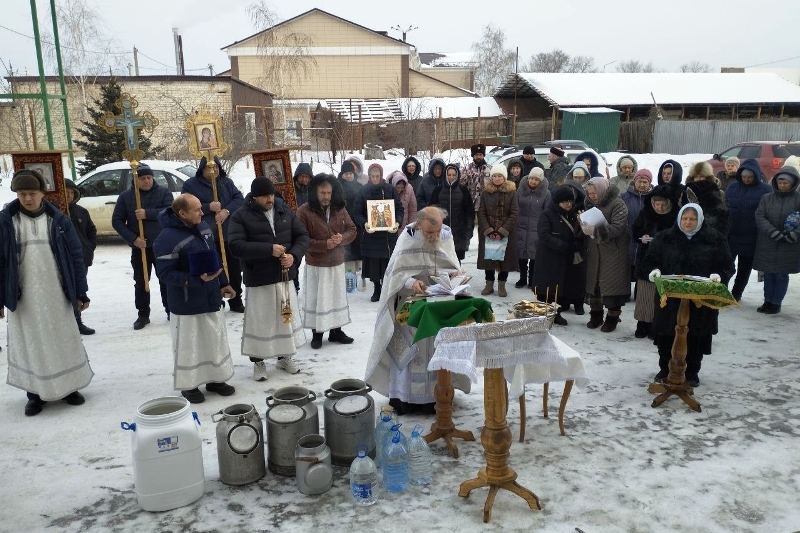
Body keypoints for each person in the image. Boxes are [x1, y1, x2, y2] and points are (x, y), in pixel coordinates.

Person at [0, 169, 94, 416]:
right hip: (25, 299)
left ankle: (70, 387)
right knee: (32, 344)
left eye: (32, 193)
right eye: (22, 194)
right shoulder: (6, 222)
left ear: (42, 193)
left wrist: (81, 292)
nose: (27, 199)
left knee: (62, 338)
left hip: (57, 293)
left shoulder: (59, 221)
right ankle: (35, 394)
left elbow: (75, 256)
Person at [364, 206, 469, 415]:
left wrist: (455, 274)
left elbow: (450, 264)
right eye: (430, 233)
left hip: (438, 306)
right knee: (410, 354)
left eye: (437, 232)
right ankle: (404, 399)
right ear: (419, 226)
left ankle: (435, 398)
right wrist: (411, 282)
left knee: (436, 351)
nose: (434, 237)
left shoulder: (445, 236)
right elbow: (394, 276)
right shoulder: (407, 238)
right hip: (410, 308)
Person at [153, 194, 236, 403]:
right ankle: (189, 385)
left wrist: (224, 282)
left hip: (210, 297)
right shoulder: (166, 238)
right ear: (182, 214)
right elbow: (164, 273)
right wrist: (193, 280)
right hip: (186, 302)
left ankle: (215, 379)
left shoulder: (203, 226)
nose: (202, 212)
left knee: (212, 340)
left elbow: (214, 256)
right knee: (190, 345)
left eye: (201, 208)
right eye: (197, 209)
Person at [228, 177, 310, 380]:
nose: (270, 199)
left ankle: (284, 357)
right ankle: (258, 362)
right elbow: (235, 246)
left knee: (284, 318)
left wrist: (294, 256)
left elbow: (302, 237)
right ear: (255, 196)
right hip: (259, 278)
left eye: (272, 194)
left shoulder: (285, 211)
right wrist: (268, 250)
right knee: (260, 321)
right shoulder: (241, 216)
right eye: (265, 196)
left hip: (283, 277)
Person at [643, 203, 734, 387]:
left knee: (696, 335)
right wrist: (653, 271)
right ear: (679, 219)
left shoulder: (714, 239)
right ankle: (665, 368)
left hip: (700, 301)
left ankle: (692, 371)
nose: (688, 222)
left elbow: (727, 265)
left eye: (692, 219)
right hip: (669, 300)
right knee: (667, 335)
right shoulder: (664, 238)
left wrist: (719, 276)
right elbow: (649, 260)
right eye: (684, 218)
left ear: (700, 219)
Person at [297, 174, 357, 349]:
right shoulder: (304, 211)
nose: (326, 196)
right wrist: (325, 244)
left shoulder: (340, 208)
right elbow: (302, 239)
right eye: (322, 193)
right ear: (315, 192)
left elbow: (352, 230)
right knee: (318, 299)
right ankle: (317, 333)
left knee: (336, 298)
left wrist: (341, 239)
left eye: (329, 193)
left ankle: (336, 331)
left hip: (337, 261)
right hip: (317, 263)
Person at [111, 163, 172, 330]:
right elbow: (117, 221)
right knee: (141, 281)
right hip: (140, 247)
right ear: (136, 180)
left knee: (166, 279)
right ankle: (143, 314)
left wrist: (147, 213)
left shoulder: (163, 192)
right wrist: (133, 239)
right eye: (142, 178)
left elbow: (170, 212)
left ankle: (171, 310)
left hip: (161, 245)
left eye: (149, 177)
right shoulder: (126, 197)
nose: (146, 181)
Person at [182, 156, 245, 313]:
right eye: (210, 167)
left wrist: (226, 210)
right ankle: (215, 301)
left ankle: (236, 300)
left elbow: (239, 198)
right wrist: (208, 206)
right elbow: (183, 205)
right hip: (205, 236)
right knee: (212, 269)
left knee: (234, 270)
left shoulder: (226, 182)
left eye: (216, 167)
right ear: (202, 169)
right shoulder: (191, 185)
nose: (214, 170)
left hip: (228, 234)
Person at [579, 176, 630, 332]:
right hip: (595, 251)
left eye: (595, 192)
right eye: (589, 193)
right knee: (595, 284)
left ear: (602, 190)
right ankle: (595, 315)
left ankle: (612, 318)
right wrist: (582, 224)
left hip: (614, 252)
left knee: (612, 285)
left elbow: (617, 228)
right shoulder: (589, 204)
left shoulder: (618, 204)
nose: (592, 195)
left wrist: (594, 230)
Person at [532, 185, 584, 326]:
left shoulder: (573, 215)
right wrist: (564, 246)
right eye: (565, 201)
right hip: (549, 259)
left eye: (570, 201)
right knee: (547, 288)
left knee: (561, 288)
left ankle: (557, 312)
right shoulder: (547, 215)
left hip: (565, 259)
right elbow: (544, 236)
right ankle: (545, 314)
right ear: (557, 201)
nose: (569, 204)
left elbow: (577, 234)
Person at [630, 185, 678, 339]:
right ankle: (642, 324)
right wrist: (641, 237)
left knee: (660, 295)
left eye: (663, 204)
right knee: (644, 294)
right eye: (657, 204)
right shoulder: (646, 212)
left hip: (665, 260)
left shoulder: (675, 216)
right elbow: (635, 230)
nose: (660, 207)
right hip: (646, 258)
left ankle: (655, 326)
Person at [753, 166, 800, 314]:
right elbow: (760, 216)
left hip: (789, 244)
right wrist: (773, 232)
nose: (783, 185)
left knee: (781, 274)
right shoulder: (767, 198)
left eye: (786, 182)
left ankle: (776, 302)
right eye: (780, 181)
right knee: (769, 273)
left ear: (793, 183)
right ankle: (767, 301)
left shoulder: (798, 199)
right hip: (768, 241)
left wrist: (795, 234)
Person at [354, 164, 403, 302]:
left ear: (381, 176)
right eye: (372, 176)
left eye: (377, 176)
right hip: (371, 235)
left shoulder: (390, 189)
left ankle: (388, 288)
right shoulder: (363, 191)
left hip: (388, 234)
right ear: (369, 176)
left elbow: (399, 208)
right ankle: (377, 288)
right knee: (374, 263)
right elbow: (357, 211)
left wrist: (397, 222)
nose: (375, 178)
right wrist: (365, 223)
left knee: (387, 262)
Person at [725, 159, 771, 301]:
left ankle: (736, 294)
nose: (746, 180)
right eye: (744, 177)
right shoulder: (732, 187)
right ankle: (720, 292)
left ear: (756, 175)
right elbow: (725, 207)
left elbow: (768, 212)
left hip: (752, 236)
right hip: (731, 234)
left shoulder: (766, 190)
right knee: (725, 266)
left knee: (744, 269)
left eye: (749, 177)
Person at [477, 164, 519, 297]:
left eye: (499, 176)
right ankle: (489, 284)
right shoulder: (485, 192)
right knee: (489, 258)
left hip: (506, 232)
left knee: (504, 260)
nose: (497, 178)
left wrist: (502, 230)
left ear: (504, 177)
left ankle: (502, 285)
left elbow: (514, 213)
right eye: (494, 176)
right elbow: (481, 212)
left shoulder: (512, 193)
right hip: (488, 230)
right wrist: (488, 230)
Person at [65, 178, 97, 335]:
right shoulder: (56, 212)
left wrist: (89, 247)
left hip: (81, 258)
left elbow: (91, 230)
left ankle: (78, 322)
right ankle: (66, 324)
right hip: (64, 259)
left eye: (72, 193)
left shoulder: (81, 211)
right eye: (66, 192)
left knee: (79, 290)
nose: (69, 195)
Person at [429, 163, 474, 262]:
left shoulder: (463, 190)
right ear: (445, 175)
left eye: (454, 175)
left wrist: (469, 229)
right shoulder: (438, 190)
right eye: (449, 175)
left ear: (457, 175)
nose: (451, 177)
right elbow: (431, 210)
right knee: (442, 259)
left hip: (459, 232)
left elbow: (469, 212)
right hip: (441, 230)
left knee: (456, 259)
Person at [516, 167, 550, 289]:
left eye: (536, 179)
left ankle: (533, 280)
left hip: (536, 228)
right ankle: (522, 278)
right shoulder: (520, 190)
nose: (533, 181)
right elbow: (515, 207)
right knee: (521, 255)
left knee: (534, 256)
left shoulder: (546, 194)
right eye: (531, 178)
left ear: (540, 181)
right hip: (521, 226)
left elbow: (547, 212)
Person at [620, 169, 653, 283]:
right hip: (628, 239)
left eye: (645, 182)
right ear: (634, 181)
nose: (642, 184)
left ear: (649, 183)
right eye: (639, 181)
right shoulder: (624, 197)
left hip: (646, 241)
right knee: (627, 270)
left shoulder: (654, 199)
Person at [684, 161, 729, 237]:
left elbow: (722, 216)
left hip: (710, 233)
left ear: (707, 177)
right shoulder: (686, 192)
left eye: (701, 176)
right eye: (696, 176)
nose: (698, 179)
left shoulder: (716, 193)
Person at [339, 160, 364, 280]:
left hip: (359, 224)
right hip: (344, 225)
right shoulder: (337, 187)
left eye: (351, 173)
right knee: (347, 251)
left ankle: (360, 277)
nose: (349, 176)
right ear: (342, 174)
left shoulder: (359, 187)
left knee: (359, 249)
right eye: (346, 174)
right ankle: (349, 277)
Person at [462, 143, 491, 211]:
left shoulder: (490, 169)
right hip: (471, 207)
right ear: (473, 156)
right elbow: (461, 187)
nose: (478, 157)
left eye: (480, 155)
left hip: (486, 207)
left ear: (483, 155)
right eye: (476, 155)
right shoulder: (466, 170)